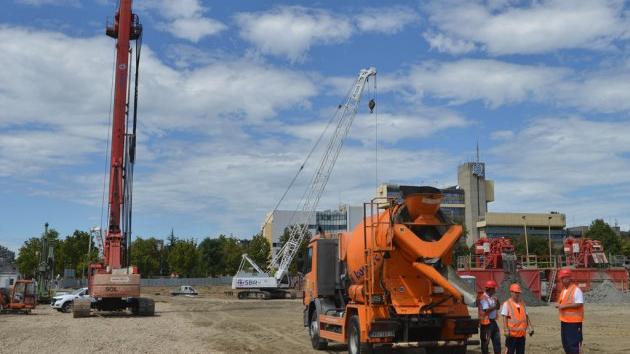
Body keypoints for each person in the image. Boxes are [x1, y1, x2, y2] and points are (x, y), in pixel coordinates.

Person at [555, 268, 584, 354]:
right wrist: (558, 305)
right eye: (561, 278)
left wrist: (563, 306)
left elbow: (579, 303)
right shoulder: (564, 290)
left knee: (573, 345)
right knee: (566, 344)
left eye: (563, 278)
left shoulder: (576, 290)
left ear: (568, 278)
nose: (562, 280)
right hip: (564, 321)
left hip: (574, 322)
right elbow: (561, 302)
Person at [501, 283, 534, 354]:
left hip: (522, 335)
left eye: (518, 293)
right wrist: (506, 330)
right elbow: (504, 317)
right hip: (511, 335)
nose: (517, 294)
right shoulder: (507, 304)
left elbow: (526, 316)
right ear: (511, 292)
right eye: (516, 292)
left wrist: (530, 327)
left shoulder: (522, 303)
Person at [478, 280, 501, 354]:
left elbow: (498, 307)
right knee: (486, 342)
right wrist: (495, 306)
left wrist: (497, 302)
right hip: (486, 323)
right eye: (494, 289)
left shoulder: (492, 298)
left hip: (492, 322)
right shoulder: (483, 298)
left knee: (497, 341)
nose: (495, 290)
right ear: (490, 289)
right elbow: (486, 310)